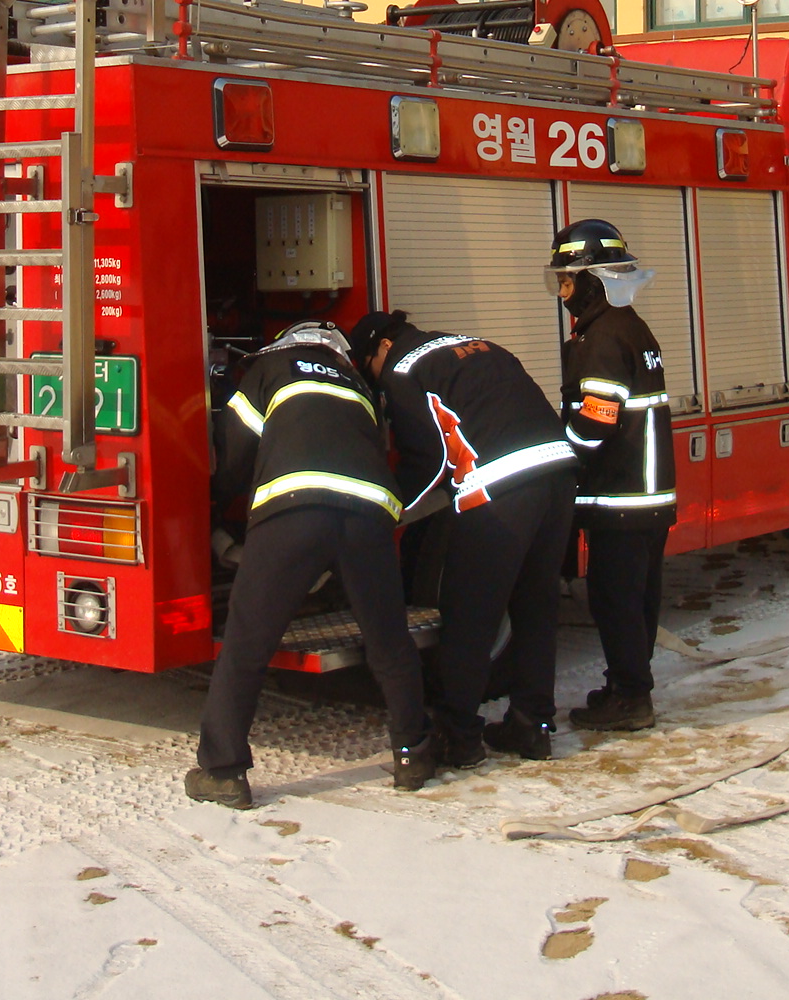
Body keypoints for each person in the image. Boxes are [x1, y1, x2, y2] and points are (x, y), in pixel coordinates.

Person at [189, 320, 435, 808]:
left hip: (294, 507)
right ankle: (414, 754)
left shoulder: (268, 369)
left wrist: (215, 505)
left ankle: (223, 771)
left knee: (247, 641)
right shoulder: (359, 385)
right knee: (388, 639)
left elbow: (234, 446)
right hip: (368, 513)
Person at [348, 310, 577, 766]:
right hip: (558, 472)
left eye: (368, 366)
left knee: (470, 614)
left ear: (383, 348)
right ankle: (532, 726)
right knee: (535, 605)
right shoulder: (478, 344)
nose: (375, 378)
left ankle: (460, 737)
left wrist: (386, 512)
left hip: (500, 488)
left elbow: (426, 459)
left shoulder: (402, 370)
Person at [548, 220, 675, 733]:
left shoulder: (601, 337)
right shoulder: (631, 327)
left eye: (567, 281)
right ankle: (628, 685)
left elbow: (598, 419)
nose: (562, 293)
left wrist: (562, 457)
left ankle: (631, 698)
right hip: (647, 498)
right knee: (638, 598)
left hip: (621, 496)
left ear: (592, 281)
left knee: (614, 599)